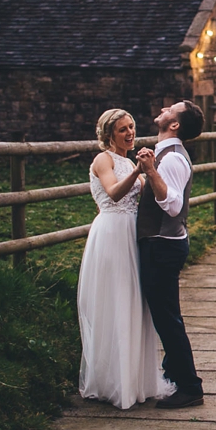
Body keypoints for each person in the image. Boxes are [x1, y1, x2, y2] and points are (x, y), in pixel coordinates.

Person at [77, 109, 175, 409]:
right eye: (122, 130)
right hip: (111, 235)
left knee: (135, 302)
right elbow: (114, 193)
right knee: (115, 301)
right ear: (109, 135)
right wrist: (138, 171)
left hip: (133, 237)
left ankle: (136, 380)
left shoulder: (129, 160)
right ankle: (112, 380)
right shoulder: (103, 160)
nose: (130, 133)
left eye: (132, 127)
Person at [135, 99, 206, 409]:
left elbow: (174, 205)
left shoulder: (173, 159)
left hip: (163, 245)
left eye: (171, 108)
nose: (163, 108)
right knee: (166, 316)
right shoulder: (164, 153)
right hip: (161, 243)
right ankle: (174, 375)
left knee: (167, 320)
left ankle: (190, 386)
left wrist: (151, 172)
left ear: (175, 124)